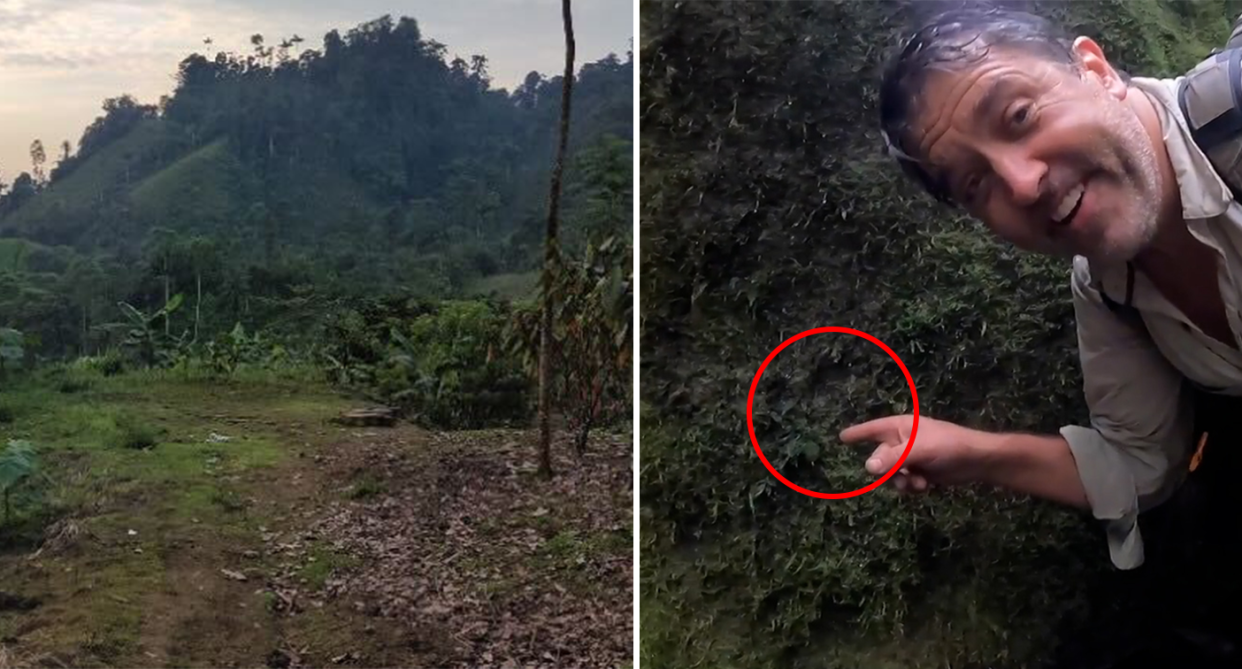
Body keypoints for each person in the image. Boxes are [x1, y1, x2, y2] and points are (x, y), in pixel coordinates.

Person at [842, 6, 1242, 665]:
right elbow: (1143, 462)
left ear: (1096, 68)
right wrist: (972, 453)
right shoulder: (1110, 289)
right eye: (976, 184)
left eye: (1020, 116)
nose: (1022, 182)